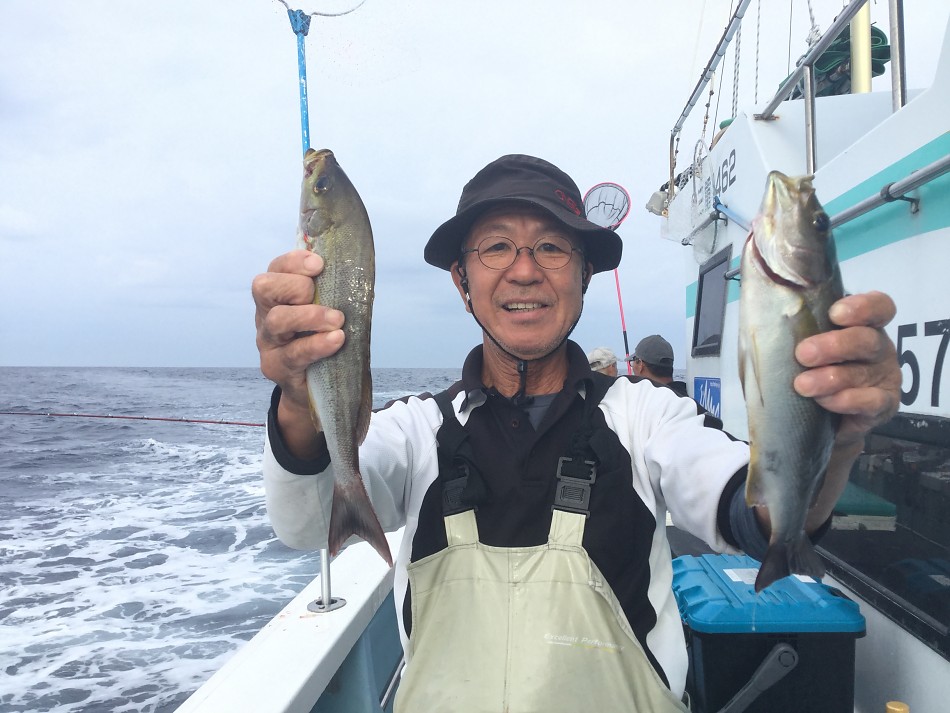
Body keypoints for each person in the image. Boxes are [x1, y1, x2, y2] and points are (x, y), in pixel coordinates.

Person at [252, 153, 901, 712]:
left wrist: (838, 436)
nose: (525, 270)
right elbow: (306, 523)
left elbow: (759, 515)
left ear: (585, 273)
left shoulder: (648, 416)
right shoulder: (415, 428)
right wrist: (302, 404)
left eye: (553, 247)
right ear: (461, 279)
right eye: (496, 246)